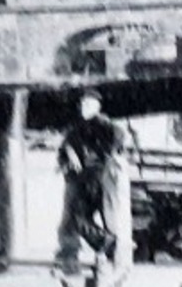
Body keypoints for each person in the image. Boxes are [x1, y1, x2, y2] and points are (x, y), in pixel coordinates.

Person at [55, 90, 134, 274]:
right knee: (78, 218)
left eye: (89, 105)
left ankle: (111, 251)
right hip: (84, 180)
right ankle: (106, 244)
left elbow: (118, 139)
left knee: (100, 217)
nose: (84, 108)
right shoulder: (76, 129)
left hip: (100, 178)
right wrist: (68, 153)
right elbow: (64, 148)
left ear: (97, 107)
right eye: (83, 104)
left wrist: (102, 156)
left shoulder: (104, 125)